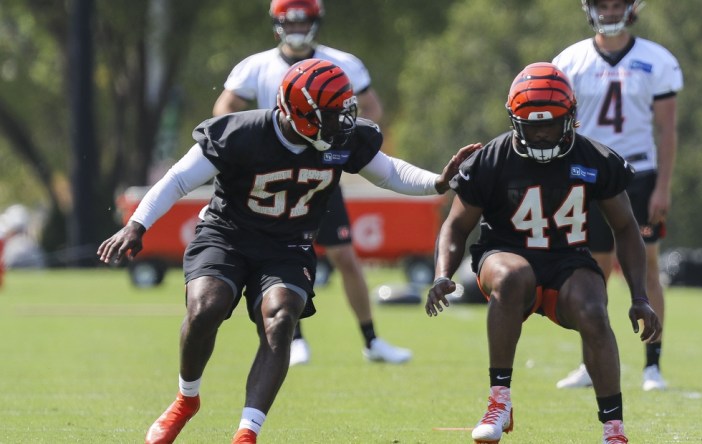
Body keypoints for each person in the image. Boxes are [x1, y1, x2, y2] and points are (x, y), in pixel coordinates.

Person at [98, 59, 480, 444]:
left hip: (288, 245)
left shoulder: (341, 138)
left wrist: (438, 181)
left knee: (281, 320)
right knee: (205, 308)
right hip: (227, 235)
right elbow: (179, 179)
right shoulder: (242, 132)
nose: (342, 124)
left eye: (344, 112)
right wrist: (137, 223)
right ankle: (186, 400)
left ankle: (247, 433)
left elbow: (389, 172)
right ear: (298, 113)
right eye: (331, 116)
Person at [424, 62, 661, 444]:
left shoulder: (595, 159)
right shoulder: (491, 160)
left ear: (571, 119)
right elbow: (456, 225)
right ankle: (499, 402)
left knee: (593, 310)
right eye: (532, 125)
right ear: (515, 121)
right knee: (512, 276)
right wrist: (442, 273)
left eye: (550, 123)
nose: (542, 133)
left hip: (568, 259)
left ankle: (613, 429)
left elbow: (625, 227)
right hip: (506, 252)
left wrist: (639, 296)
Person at [212, 0, 409, 367]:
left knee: (345, 257)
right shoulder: (256, 65)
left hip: (319, 177)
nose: (298, 29)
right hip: (273, 178)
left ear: (316, 22)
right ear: (277, 24)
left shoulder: (343, 63)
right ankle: (295, 337)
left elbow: (372, 109)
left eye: (304, 23)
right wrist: (257, 139)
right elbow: (224, 110)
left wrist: (340, 141)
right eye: (291, 22)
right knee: (278, 255)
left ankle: (371, 339)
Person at [552, 0, 682, 392]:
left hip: (638, 175)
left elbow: (668, 130)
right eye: (602, 4)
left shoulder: (656, 59)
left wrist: (663, 186)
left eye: (616, 4)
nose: (609, 12)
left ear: (631, 8)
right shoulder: (569, 61)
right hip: (587, 176)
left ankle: (652, 365)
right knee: (592, 273)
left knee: (645, 269)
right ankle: (591, 363)